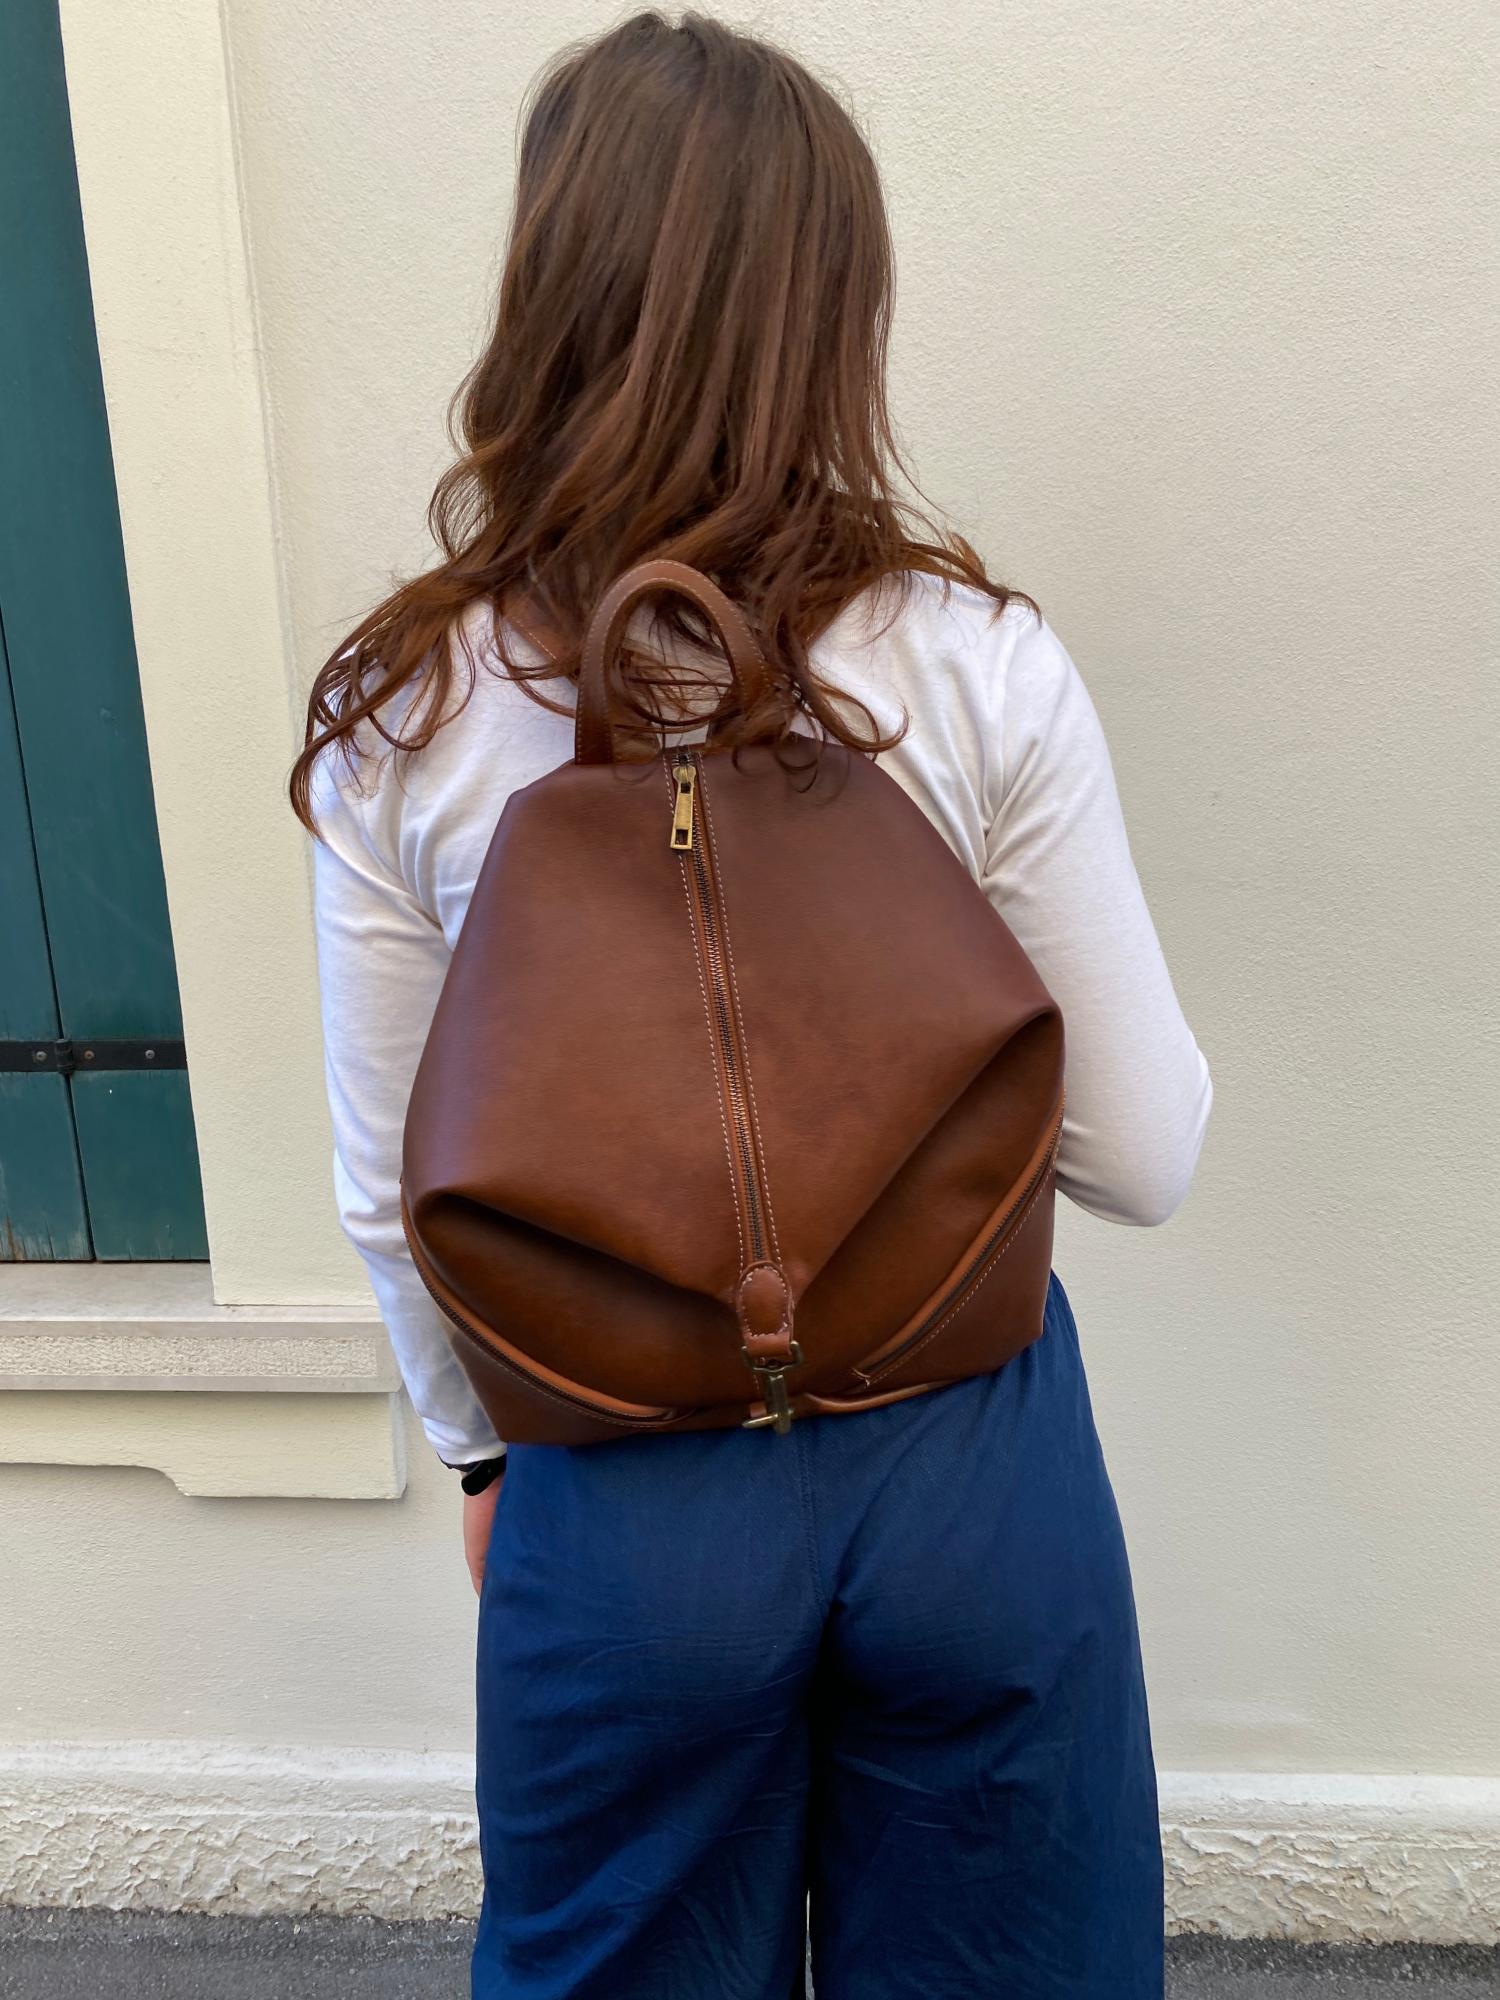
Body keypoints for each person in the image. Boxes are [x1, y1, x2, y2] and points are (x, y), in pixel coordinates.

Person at [294, 13, 1211, 1997]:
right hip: (965, 1462)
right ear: (833, 317)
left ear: (548, 292)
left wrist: (483, 1464)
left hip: (622, 1491)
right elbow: (1141, 1152)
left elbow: (394, 1187)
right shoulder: (970, 661)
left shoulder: (409, 712)